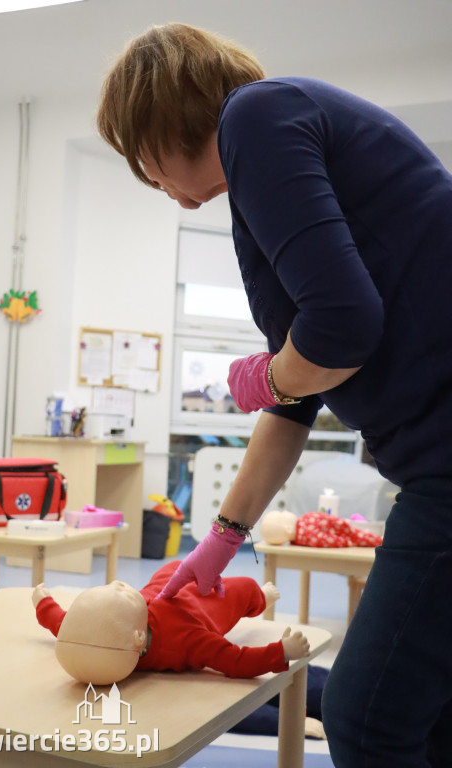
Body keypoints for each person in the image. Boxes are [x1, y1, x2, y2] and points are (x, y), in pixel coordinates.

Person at [96, 22, 452, 767]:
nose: (153, 182)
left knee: (368, 718)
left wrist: (267, 374)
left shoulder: (255, 117)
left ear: (159, 123)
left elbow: (341, 330)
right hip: (431, 459)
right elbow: (295, 403)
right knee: (430, 716)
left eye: (144, 162)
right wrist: (222, 539)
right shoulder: (268, 162)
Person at [32, 564, 310, 683]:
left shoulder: (98, 632)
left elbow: (61, 623)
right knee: (244, 588)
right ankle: (260, 599)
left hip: (165, 583)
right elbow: (235, 661)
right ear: (139, 638)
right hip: (204, 604)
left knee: (174, 568)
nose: (116, 583)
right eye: (121, 594)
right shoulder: (188, 642)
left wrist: (43, 603)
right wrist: (281, 652)